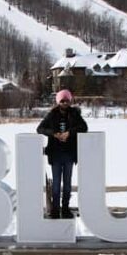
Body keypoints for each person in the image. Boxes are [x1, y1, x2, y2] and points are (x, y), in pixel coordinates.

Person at [37, 89, 88, 219]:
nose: (65, 103)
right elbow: (40, 129)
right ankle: (55, 210)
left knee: (67, 184)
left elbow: (84, 127)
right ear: (58, 101)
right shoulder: (52, 114)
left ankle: (65, 208)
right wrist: (54, 134)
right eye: (62, 100)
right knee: (55, 184)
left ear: (70, 101)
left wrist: (69, 133)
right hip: (55, 154)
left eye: (67, 100)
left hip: (69, 154)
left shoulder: (74, 114)